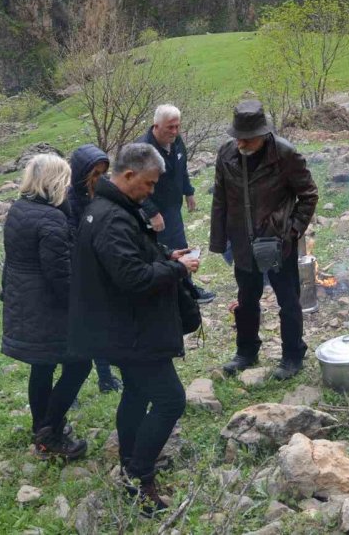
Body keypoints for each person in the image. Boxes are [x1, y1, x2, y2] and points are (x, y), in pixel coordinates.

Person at [67, 143, 200, 516]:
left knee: (138, 393)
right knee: (171, 399)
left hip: (118, 326)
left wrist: (164, 256)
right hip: (131, 330)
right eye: (149, 183)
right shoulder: (111, 217)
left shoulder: (113, 209)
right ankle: (140, 478)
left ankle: (130, 464)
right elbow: (131, 278)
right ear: (127, 176)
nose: (152, 191)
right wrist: (178, 269)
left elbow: (129, 259)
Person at [210, 100, 319, 380]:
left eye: (248, 138)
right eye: (238, 138)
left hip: (278, 242)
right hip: (242, 243)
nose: (242, 143)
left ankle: (293, 355)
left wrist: (292, 231)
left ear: (263, 133)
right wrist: (219, 241)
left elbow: (308, 195)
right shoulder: (226, 154)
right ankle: (246, 352)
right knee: (246, 299)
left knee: (288, 300)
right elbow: (220, 199)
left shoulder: (285, 154)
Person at [1, 154, 90, 459]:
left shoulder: (18, 209)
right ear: (55, 181)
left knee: (42, 367)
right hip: (48, 308)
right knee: (79, 364)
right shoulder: (51, 218)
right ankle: (49, 432)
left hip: (24, 302)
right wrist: (81, 309)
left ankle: (41, 427)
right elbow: (59, 275)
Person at [137, 104, 216, 304]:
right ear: (156, 126)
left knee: (180, 248)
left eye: (177, 126)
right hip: (153, 212)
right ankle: (169, 294)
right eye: (169, 128)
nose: (174, 132)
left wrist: (189, 192)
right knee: (160, 253)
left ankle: (188, 291)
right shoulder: (143, 150)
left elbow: (182, 169)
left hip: (173, 208)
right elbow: (136, 186)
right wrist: (152, 212)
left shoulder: (177, 141)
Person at [67, 144, 122, 394]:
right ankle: (70, 389)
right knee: (75, 336)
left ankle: (105, 378)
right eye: (95, 174)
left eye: (103, 173)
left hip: (100, 269)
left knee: (100, 327)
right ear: (81, 174)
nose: (100, 179)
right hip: (78, 274)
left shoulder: (102, 194)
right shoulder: (68, 201)